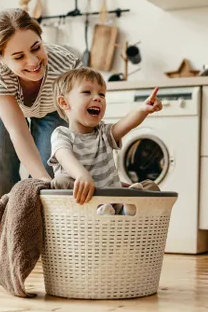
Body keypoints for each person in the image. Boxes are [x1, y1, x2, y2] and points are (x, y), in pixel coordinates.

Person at [0, 8, 82, 262]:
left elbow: (80, 120)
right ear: (1, 59)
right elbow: (17, 131)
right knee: (0, 165)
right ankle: (2, 243)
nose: (33, 61)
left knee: (52, 169)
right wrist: (41, 180)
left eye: (36, 48)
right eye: (19, 56)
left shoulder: (67, 64)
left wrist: (53, 179)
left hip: (52, 109)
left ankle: (47, 245)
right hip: (9, 103)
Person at [48, 67, 162, 214]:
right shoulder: (61, 134)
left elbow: (126, 123)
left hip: (114, 200)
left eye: (101, 94)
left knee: (150, 186)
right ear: (64, 103)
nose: (98, 98)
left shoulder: (104, 133)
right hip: (83, 204)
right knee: (60, 182)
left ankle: (127, 209)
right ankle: (106, 210)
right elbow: (64, 157)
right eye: (87, 92)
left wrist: (143, 110)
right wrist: (81, 175)